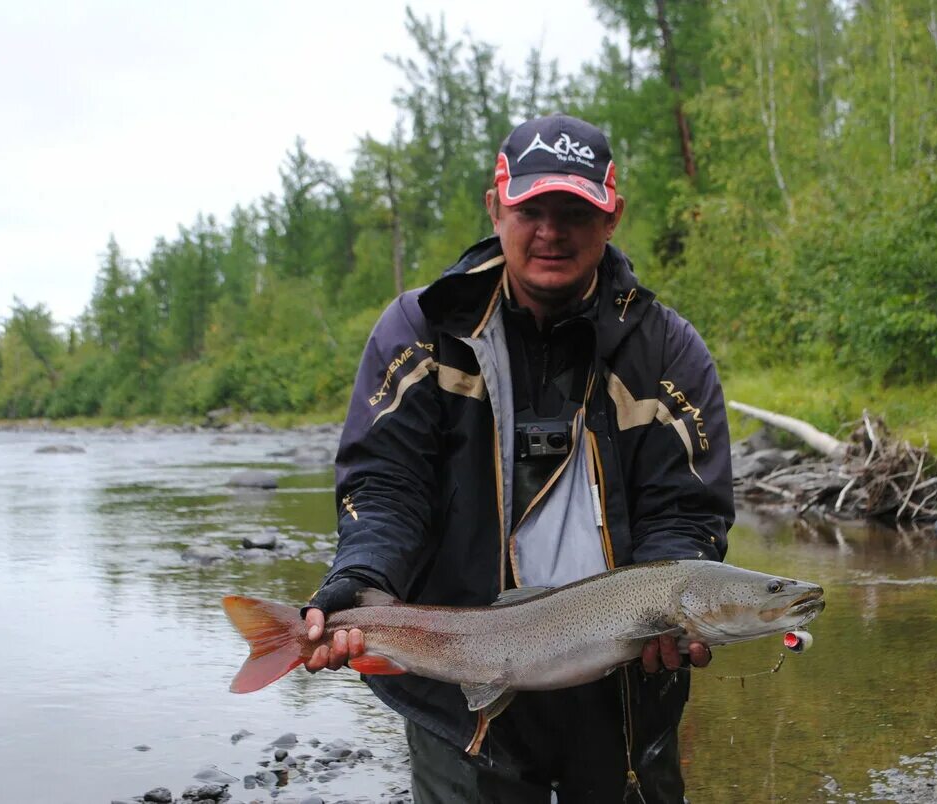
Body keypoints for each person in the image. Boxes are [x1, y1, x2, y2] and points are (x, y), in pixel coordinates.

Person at [302, 113, 734, 803]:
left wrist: (675, 621)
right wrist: (360, 579)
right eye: (533, 208)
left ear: (612, 216)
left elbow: (686, 513)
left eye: (575, 210)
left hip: (623, 697)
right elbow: (385, 488)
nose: (552, 231)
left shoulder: (668, 353)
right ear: (495, 207)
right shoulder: (419, 332)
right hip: (458, 700)